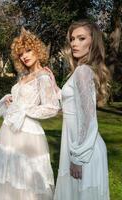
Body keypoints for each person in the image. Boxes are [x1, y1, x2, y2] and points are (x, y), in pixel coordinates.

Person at [0, 28, 60, 200]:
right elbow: (19, 100)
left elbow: (52, 108)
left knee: (25, 178)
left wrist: (23, 108)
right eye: (21, 53)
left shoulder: (43, 76)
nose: (25, 56)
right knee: (6, 175)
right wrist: (11, 101)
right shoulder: (23, 76)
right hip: (9, 131)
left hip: (28, 134)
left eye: (28, 50)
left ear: (37, 50)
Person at [54, 20, 110, 200]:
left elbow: (88, 119)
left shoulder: (83, 71)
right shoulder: (79, 70)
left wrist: (78, 157)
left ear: (92, 42)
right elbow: (73, 107)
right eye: (72, 39)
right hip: (79, 149)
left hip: (84, 153)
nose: (74, 43)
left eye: (81, 38)